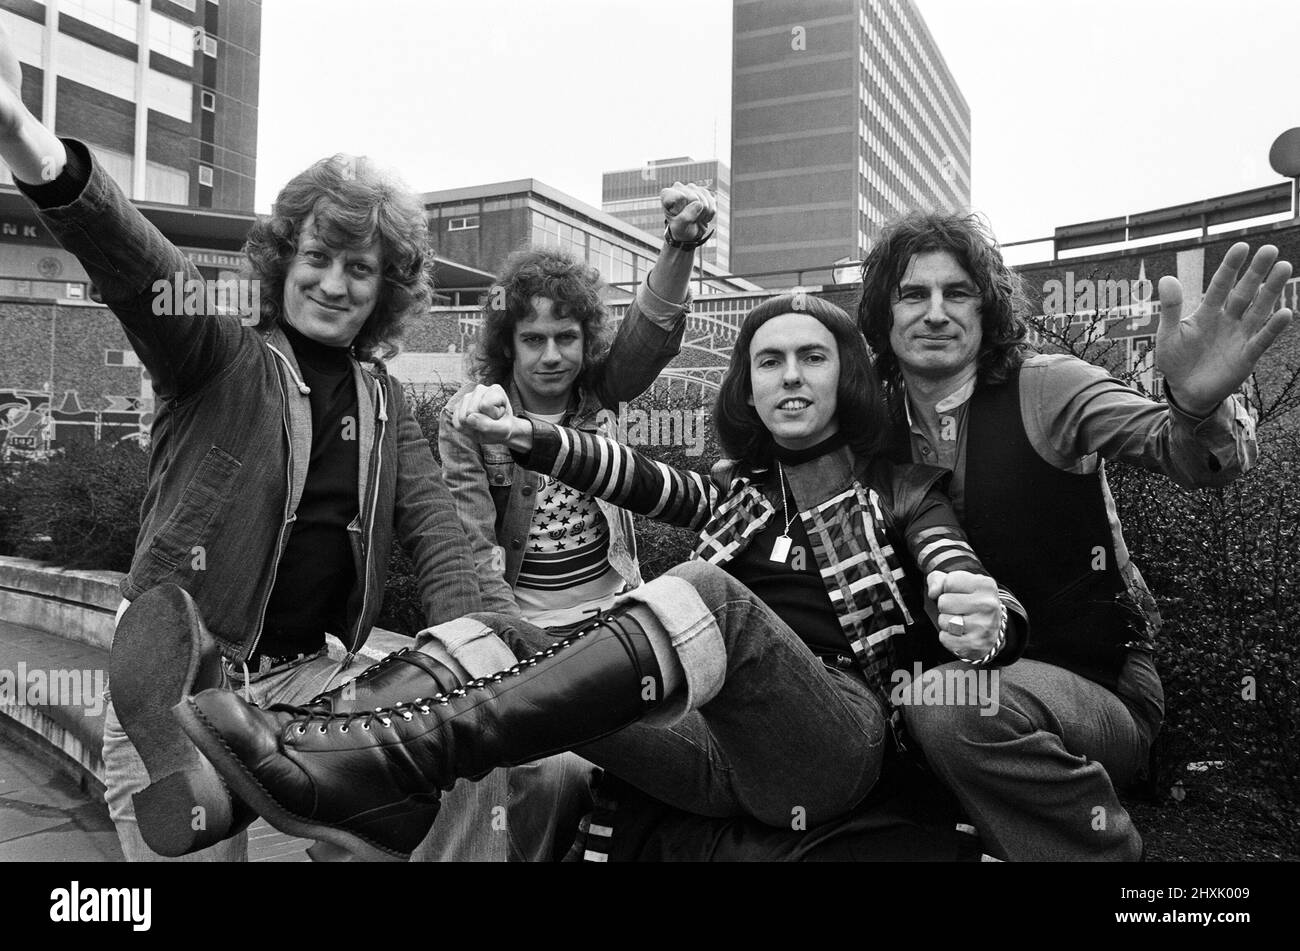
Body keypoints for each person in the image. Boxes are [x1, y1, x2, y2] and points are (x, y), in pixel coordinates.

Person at [174, 294, 1029, 862]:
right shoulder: (737, 496)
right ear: (751, 388)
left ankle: (358, 760)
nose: (791, 375)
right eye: (770, 362)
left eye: (813, 356)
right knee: (506, 633)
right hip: (706, 750)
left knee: (708, 593)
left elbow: (967, 578)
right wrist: (525, 436)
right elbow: (632, 474)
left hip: (834, 746)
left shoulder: (903, 491)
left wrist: (984, 618)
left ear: (847, 374)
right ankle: (310, 751)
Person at [0, 23, 482, 861]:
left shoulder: (387, 399)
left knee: (473, 776)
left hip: (319, 685)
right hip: (183, 686)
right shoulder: (221, 357)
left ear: (386, 290)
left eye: (359, 269)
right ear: (284, 258)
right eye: (319, 256)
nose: (334, 283)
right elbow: (144, 270)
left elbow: (439, 537)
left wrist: (496, 646)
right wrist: (29, 143)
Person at [856, 210, 1293, 860]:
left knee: (948, 705)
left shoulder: (1045, 386)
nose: (936, 312)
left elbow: (1178, 450)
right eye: (913, 293)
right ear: (883, 315)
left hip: (1096, 683)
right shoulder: (874, 429)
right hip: (955, 684)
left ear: (986, 308)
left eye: (958, 291)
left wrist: (1197, 407)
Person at [424, 194, 716, 861]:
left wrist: (679, 246)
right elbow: (473, 550)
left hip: (615, 620)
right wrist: (520, 652)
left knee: (665, 753)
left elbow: (650, 334)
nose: (552, 355)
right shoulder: (470, 422)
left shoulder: (599, 397)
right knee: (552, 774)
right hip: (524, 628)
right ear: (508, 344)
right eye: (533, 339)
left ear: (587, 341)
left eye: (567, 338)